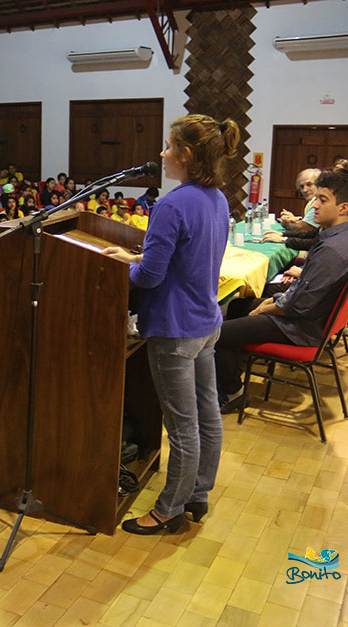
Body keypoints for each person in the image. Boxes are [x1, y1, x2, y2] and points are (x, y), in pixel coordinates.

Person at [101, 114, 239, 535]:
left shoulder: (171, 204)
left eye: (168, 146)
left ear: (186, 154)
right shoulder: (217, 198)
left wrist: (120, 270)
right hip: (206, 322)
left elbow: (150, 278)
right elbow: (188, 257)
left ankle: (169, 510)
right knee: (207, 416)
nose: (162, 154)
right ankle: (197, 494)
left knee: (182, 427)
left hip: (175, 328)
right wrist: (137, 257)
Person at [215, 168, 348, 413]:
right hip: (311, 319)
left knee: (216, 334)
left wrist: (265, 308)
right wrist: (269, 303)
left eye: (322, 200)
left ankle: (233, 393)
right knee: (236, 306)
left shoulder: (333, 250)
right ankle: (232, 368)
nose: (314, 205)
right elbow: (303, 293)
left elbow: (298, 306)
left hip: (300, 327)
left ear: (343, 208)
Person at [277, 168, 321, 235]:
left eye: (309, 185)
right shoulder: (312, 201)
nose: (304, 190)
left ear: (320, 184)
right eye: (302, 187)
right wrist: (294, 219)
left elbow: (303, 229)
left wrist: (285, 223)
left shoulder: (319, 202)